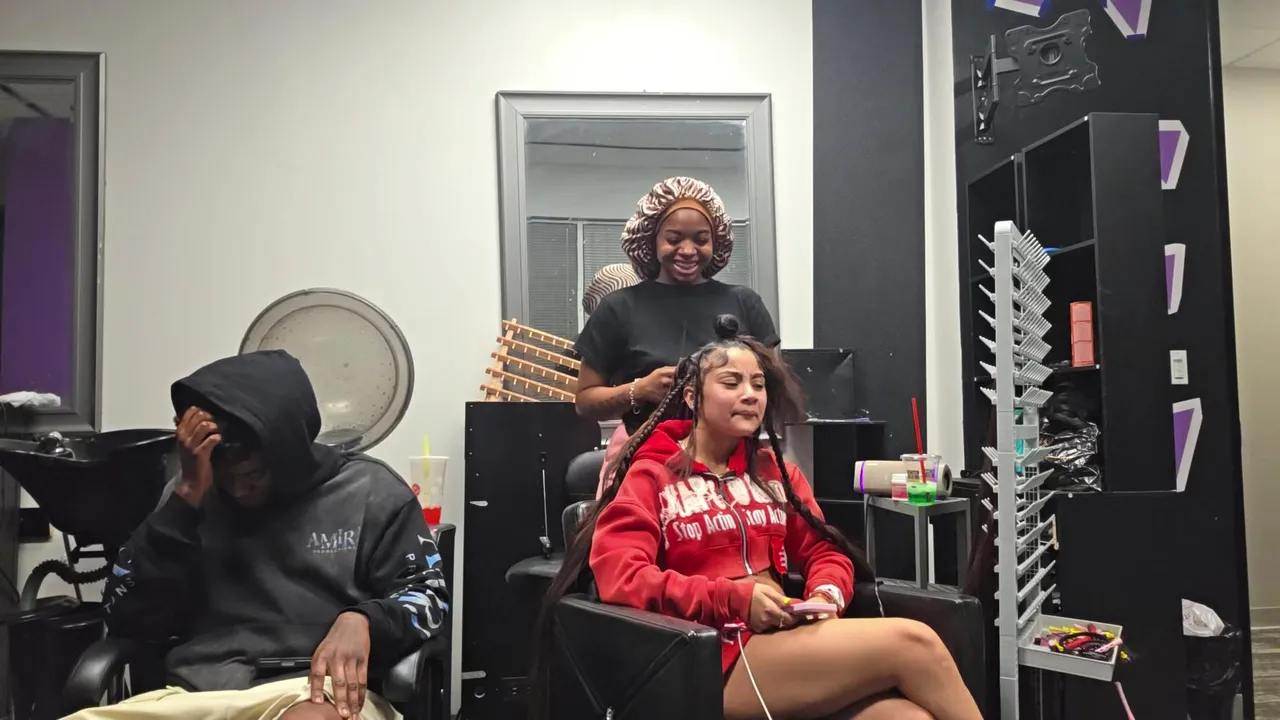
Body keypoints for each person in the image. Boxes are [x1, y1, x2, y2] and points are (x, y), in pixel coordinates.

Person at [535, 318, 982, 720]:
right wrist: (733, 599)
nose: (750, 394)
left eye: (758, 384)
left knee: (905, 716)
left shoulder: (776, 474)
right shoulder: (650, 476)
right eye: (731, 382)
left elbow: (824, 551)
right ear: (692, 396)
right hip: (708, 657)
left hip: (782, 640)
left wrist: (826, 593)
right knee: (914, 644)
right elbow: (622, 578)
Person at [69, 350, 449, 720]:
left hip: (315, 691)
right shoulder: (190, 494)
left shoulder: (370, 493)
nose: (238, 489)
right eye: (225, 475)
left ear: (290, 454)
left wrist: (365, 620)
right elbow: (126, 617)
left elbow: (428, 598)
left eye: (252, 474)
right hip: (198, 693)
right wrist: (186, 500)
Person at [574, 177, 780, 495]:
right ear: (652, 239)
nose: (687, 250)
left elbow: (776, 390)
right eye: (673, 239)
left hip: (735, 471)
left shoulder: (744, 303)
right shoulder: (619, 308)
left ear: (716, 242)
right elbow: (585, 403)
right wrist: (640, 389)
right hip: (647, 470)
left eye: (701, 239)